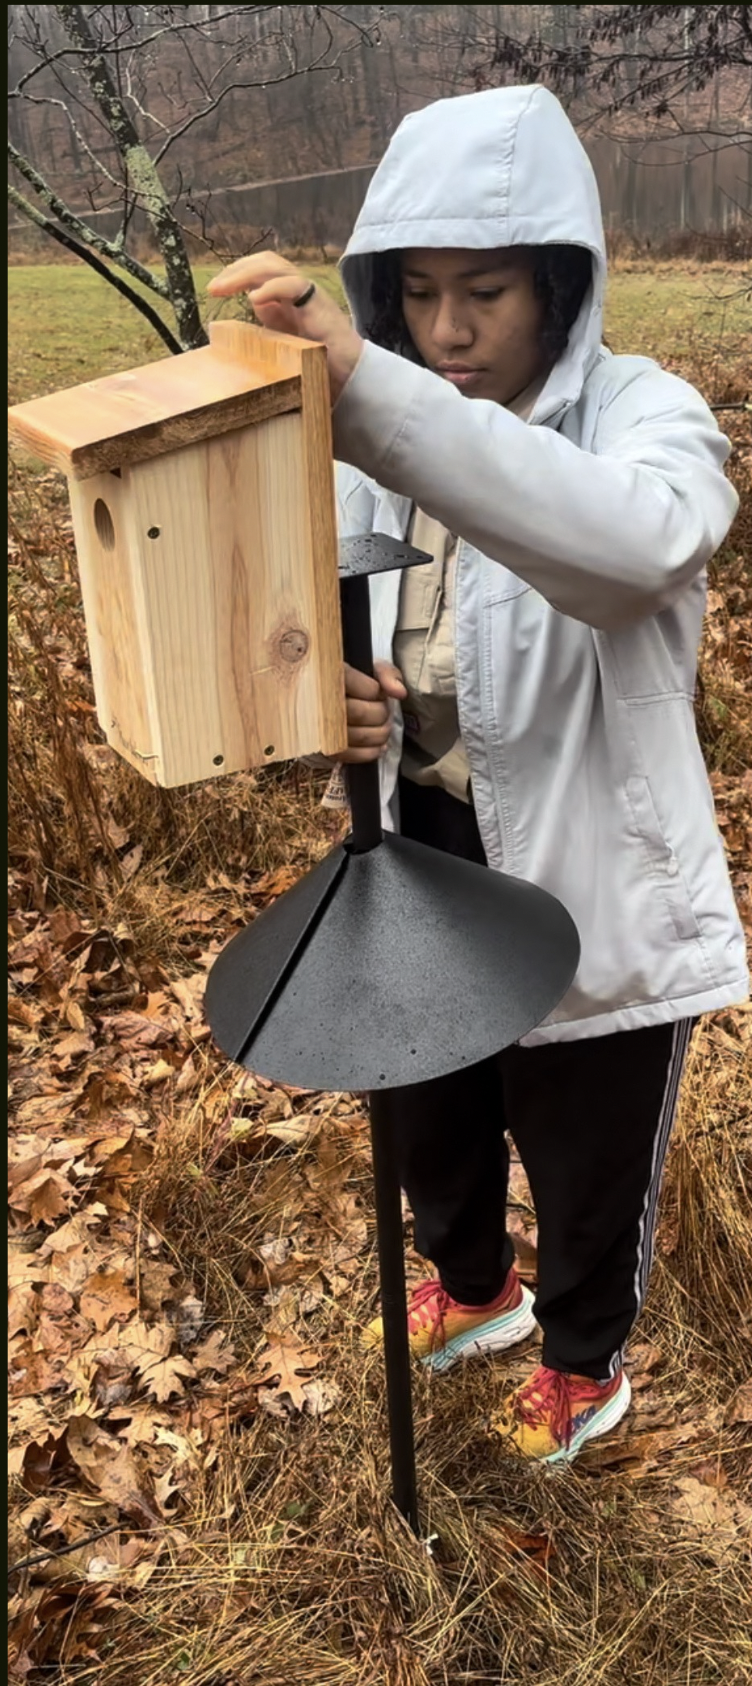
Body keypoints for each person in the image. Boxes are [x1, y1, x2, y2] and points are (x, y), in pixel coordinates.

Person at [208, 84, 748, 1465]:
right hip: (425, 841)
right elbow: (336, 605)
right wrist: (337, 702)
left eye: (488, 293)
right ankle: (474, 1288)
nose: (449, 333)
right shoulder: (374, 432)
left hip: (587, 861)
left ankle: (583, 1360)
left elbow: (629, 551)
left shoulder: (649, 419)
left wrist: (376, 396)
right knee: (428, 1106)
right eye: (419, 294)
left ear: (562, 281)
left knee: (583, 1144)